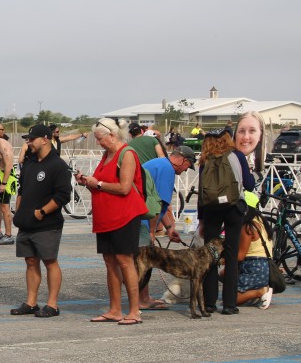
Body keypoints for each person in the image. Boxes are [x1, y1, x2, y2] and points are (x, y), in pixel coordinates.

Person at [75, 118, 148, 325]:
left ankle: (134, 311)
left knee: (125, 260)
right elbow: (102, 183)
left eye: (100, 139)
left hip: (125, 215)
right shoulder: (106, 154)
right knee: (109, 261)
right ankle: (115, 309)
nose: (98, 143)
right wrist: (88, 182)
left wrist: (97, 183)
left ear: (112, 136)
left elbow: (124, 188)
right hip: (106, 216)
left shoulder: (127, 154)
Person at [9, 124, 72, 318]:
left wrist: (42, 212)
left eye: (31, 139)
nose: (28, 142)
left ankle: (52, 305)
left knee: (50, 261)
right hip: (26, 223)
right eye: (27, 139)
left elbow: (63, 195)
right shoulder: (30, 163)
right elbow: (21, 190)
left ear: (45, 139)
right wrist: (18, 213)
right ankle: (31, 303)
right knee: (30, 261)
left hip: (47, 224)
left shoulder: (58, 165)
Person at [198, 128, 254, 315]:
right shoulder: (237, 156)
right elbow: (249, 185)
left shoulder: (205, 159)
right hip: (233, 209)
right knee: (231, 255)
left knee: (211, 255)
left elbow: (201, 191)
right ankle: (229, 304)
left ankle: (209, 303)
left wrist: (201, 220)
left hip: (211, 210)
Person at [137, 147, 196, 310]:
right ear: (182, 160)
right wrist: (152, 231)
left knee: (144, 261)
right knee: (144, 262)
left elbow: (161, 205)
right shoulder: (167, 170)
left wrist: (169, 227)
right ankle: (141, 300)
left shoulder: (160, 164)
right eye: (188, 166)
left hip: (138, 218)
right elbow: (158, 204)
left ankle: (144, 298)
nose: (186, 171)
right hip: (142, 221)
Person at [234, 203, 274, 309]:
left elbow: (240, 256)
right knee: (224, 273)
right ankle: (250, 293)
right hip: (265, 267)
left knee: (230, 299)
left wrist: (221, 259)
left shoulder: (248, 227)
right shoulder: (261, 222)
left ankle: (260, 292)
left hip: (255, 267)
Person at [0, 123, 16, 245]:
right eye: (2, 129)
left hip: (5, 177)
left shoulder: (2, 143)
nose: (3, 131)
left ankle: (8, 234)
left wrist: (4, 183)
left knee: (5, 207)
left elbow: (8, 164)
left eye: (3, 129)